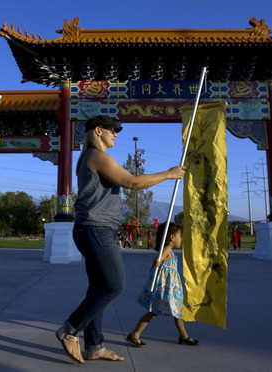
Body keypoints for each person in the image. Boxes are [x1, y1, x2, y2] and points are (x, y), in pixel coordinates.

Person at [55, 115, 186, 365]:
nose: (116, 134)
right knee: (114, 286)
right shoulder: (96, 156)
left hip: (92, 229)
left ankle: (94, 346)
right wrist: (169, 174)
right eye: (113, 130)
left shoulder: (89, 157)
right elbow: (132, 182)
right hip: (96, 230)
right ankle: (70, 329)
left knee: (98, 288)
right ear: (99, 131)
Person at [126, 222, 199, 348]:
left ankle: (184, 336)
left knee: (177, 312)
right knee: (154, 312)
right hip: (165, 291)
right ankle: (134, 334)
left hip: (172, 290)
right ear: (171, 237)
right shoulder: (166, 250)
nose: (180, 238)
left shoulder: (169, 251)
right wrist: (158, 261)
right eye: (179, 235)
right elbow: (159, 260)